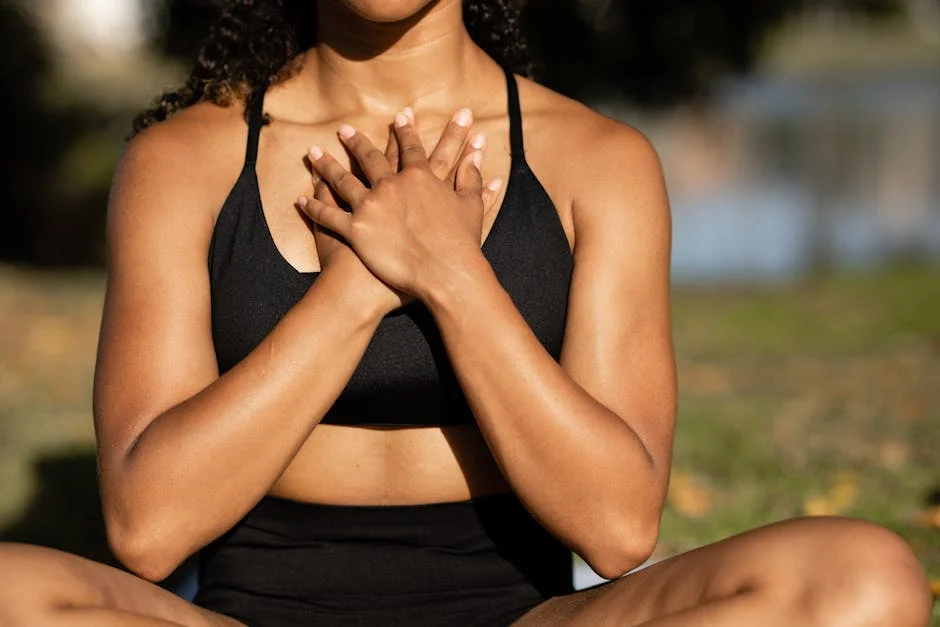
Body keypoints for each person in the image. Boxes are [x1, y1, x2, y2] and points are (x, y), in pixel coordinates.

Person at [0, 1, 933, 625]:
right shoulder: (186, 160)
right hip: (249, 614)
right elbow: (149, 526)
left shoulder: (596, 161)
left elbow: (617, 525)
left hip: (520, 619)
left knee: (863, 578)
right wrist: (358, 287)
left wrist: (453, 272)